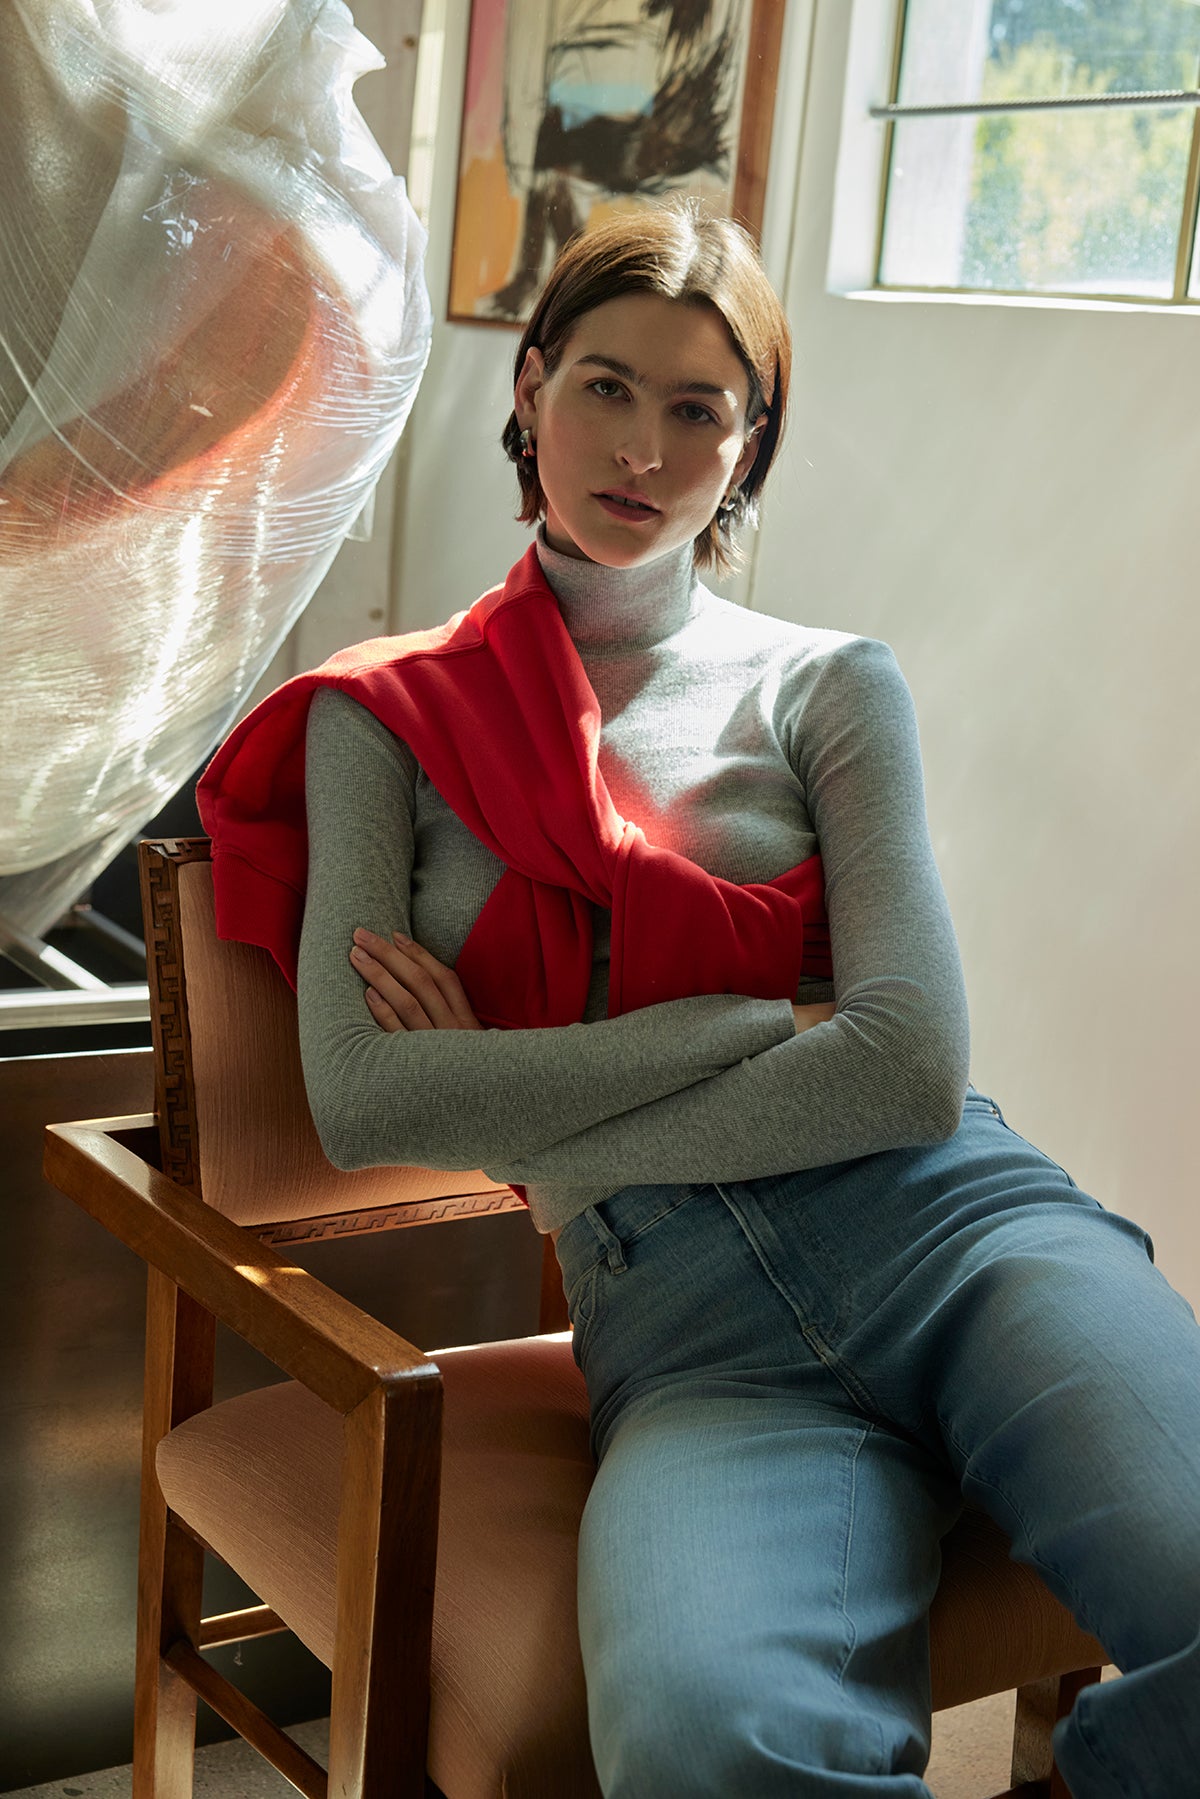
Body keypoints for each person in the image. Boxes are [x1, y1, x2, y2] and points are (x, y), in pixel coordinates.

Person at [206, 203, 1200, 1797]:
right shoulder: (382, 718)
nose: (644, 449)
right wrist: (741, 1025)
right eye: (606, 386)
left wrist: (525, 1077)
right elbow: (366, 1101)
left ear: (752, 448)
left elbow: (910, 1077)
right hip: (685, 1329)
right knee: (707, 1746)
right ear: (527, 391)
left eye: (700, 410)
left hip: (955, 1232)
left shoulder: (831, 685)